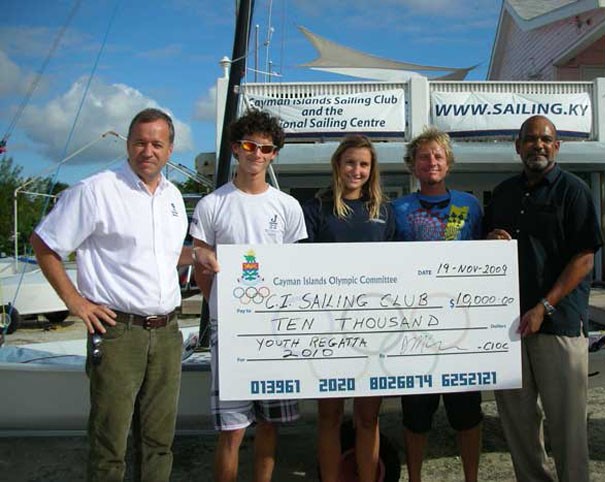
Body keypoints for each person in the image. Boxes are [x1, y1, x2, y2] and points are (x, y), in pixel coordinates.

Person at [30, 108, 195, 481]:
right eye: (140, 142)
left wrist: (200, 254)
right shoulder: (96, 190)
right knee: (110, 445)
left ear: (170, 149)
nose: (147, 151)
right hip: (119, 333)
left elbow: (165, 255)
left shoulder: (173, 196)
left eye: (157, 143)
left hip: (168, 333)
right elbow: (44, 244)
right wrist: (76, 302)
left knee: (159, 442)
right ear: (127, 144)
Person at [483, 115, 603, 482]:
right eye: (530, 139)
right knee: (518, 422)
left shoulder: (574, 190)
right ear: (518, 146)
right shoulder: (502, 193)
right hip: (510, 327)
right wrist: (490, 244)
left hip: (559, 323)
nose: (538, 145)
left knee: (566, 422)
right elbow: (488, 251)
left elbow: (584, 258)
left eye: (546, 139)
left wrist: (544, 306)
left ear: (557, 146)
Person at [189, 109, 307, 482]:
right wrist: (221, 309)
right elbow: (202, 269)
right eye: (249, 145)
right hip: (231, 334)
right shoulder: (212, 204)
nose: (257, 154)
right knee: (232, 430)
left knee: (270, 426)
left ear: (274, 154)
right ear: (235, 149)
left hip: (275, 330)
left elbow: (295, 271)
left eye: (266, 148)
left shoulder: (287, 206)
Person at [302, 134, 395, 482]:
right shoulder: (315, 210)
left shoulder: (384, 213)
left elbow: (399, 271)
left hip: (373, 332)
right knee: (329, 417)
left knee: (368, 419)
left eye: (364, 164)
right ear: (338, 166)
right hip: (327, 331)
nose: (357, 170)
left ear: (372, 170)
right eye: (351, 163)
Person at [392, 127, 483, 482]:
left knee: (467, 413)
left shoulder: (469, 206)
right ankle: (414, 478)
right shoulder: (397, 209)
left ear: (449, 163)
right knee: (415, 415)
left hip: (461, 328)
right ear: (412, 166)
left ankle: (471, 478)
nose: (432, 162)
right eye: (424, 156)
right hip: (413, 332)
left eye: (438, 156)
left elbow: (484, 261)